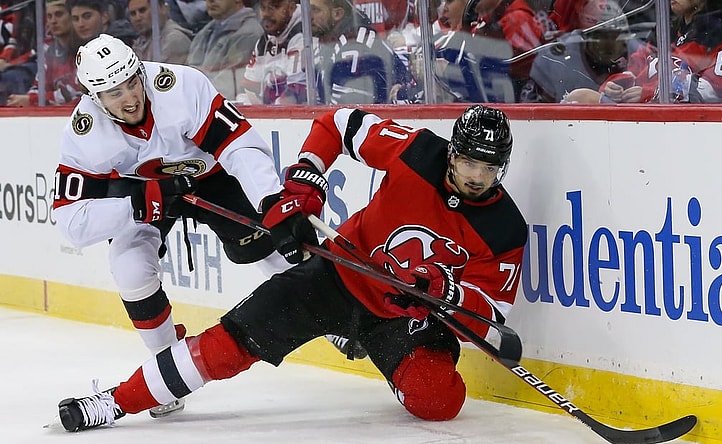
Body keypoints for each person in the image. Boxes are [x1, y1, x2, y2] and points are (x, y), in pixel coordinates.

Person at [55, 104, 529, 432]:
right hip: (338, 276)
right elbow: (337, 124)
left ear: (502, 168)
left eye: (488, 168)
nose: (474, 176)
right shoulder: (418, 151)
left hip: (409, 321)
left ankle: (371, 343)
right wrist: (304, 183)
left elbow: (489, 320)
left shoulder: (506, 229)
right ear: (452, 150)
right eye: (467, 160)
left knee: (440, 402)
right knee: (227, 347)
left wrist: (442, 291)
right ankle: (114, 401)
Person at [52, 33, 291, 417]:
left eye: (132, 82)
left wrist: (271, 200)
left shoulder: (180, 85)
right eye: (114, 92)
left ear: (140, 70)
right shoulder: (83, 132)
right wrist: (137, 203)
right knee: (130, 270)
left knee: (272, 244)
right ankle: (165, 369)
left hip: (212, 177)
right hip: (142, 193)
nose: (130, 98)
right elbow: (71, 222)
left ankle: (327, 316)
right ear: (94, 98)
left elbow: (239, 145)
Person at [565, 0, 722, 104]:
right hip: (643, 117)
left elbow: (716, 93)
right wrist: (614, 87)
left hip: (685, 129)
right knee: (578, 99)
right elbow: (634, 69)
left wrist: (651, 93)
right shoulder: (665, 29)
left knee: (581, 98)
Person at [523, 0, 642, 103]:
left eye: (617, 36)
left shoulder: (635, 59)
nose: (611, 44)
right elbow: (533, 115)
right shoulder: (552, 62)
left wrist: (644, 94)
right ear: (586, 37)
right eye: (603, 36)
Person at [310, 0, 415, 104]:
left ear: (337, 14)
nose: (309, 16)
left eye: (315, 10)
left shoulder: (354, 45)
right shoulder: (330, 42)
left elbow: (349, 111)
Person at [6, 0, 81, 106]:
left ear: (71, 17)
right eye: (49, 16)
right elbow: (37, 87)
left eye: (59, 14)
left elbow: (76, 91)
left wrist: (32, 100)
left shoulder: (83, 50)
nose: (53, 21)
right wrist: (26, 99)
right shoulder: (49, 52)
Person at [185, 0, 261, 100]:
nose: (210, 1)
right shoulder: (206, 31)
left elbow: (229, 87)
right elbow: (189, 72)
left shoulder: (249, 33)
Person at [237, 0, 305, 105]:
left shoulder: (304, 35)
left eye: (275, 7)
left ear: (291, 7)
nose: (267, 14)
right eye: (263, 8)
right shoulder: (264, 41)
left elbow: (294, 95)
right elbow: (249, 88)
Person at [128, 0, 193, 64]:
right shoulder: (140, 41)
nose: (137, 18)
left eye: (142, 10)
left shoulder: (175, 39)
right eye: (133, 13)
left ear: (164, 9)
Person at [67, 0, 137, 46]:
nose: (80, 24)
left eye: (87, 16)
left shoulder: (121, 43)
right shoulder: (79, 46)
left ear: (104, 17)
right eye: (75, 19)